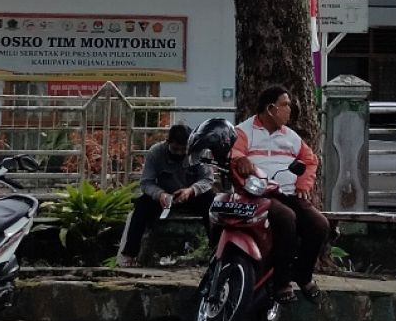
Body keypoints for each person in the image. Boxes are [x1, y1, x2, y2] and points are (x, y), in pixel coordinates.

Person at [231, 85, 329, 303]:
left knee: (319, 224)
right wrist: (241, 159)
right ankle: (281, 282)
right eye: (285, 105)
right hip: (259, 194)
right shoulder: (244, 131)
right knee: (286, 219)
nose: (289, 110)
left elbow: (310, 159)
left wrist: (304, 183)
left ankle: (303, 275)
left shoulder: (291, 137)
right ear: (270, 108)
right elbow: (234, 151)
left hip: (289, 194)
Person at [117, 123, 214, 267]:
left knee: (212, 204)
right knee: (141, 205)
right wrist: (160, 194)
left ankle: (216, 250)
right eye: (175, 149)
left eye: (184, 150)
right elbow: (146, 182)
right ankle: (130, 254)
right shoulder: (156, 152)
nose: (180, 153)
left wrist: (191, 190)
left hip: (192, 194)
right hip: (164, 196)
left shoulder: (200, 152)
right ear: (168, 142)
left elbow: (207, 179)